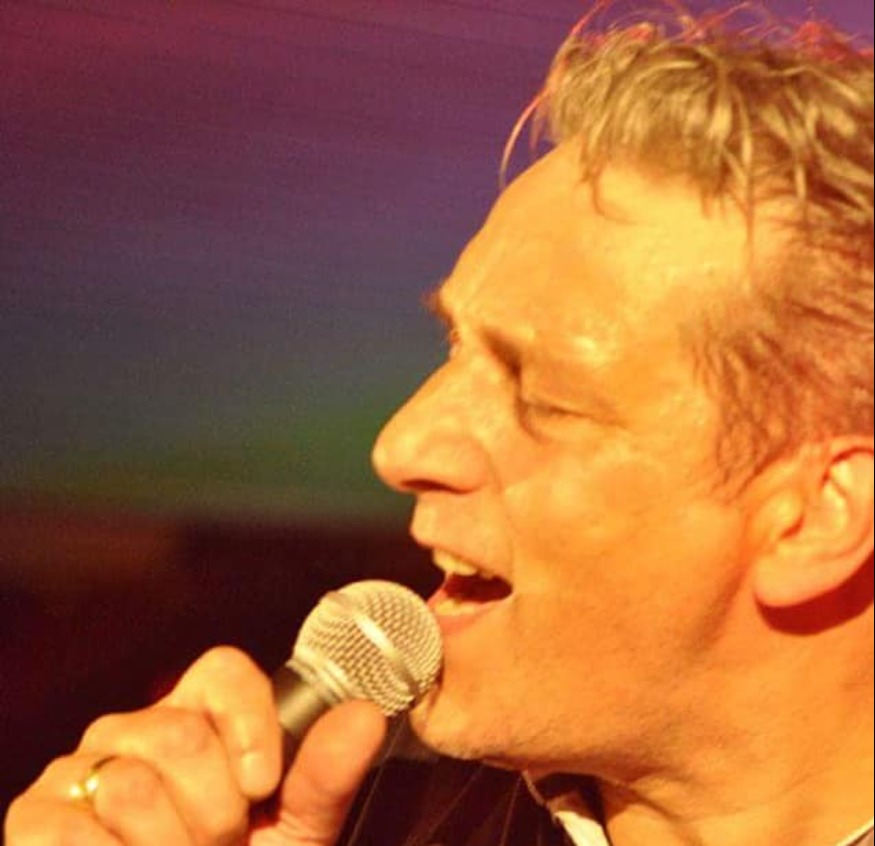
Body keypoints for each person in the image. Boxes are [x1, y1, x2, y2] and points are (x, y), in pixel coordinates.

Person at [5, 4, 873, 845]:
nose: (401, 445)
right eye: (453, 345)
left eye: (542, 393)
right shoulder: (338, 821)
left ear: (817, 514)